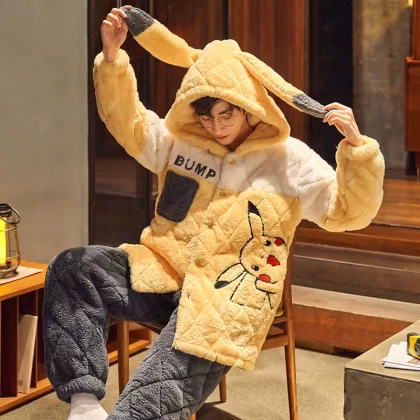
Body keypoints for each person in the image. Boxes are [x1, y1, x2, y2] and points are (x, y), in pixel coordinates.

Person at [43, 5, 385, 420]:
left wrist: (357, 149)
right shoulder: (181, 142)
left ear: (250, 107)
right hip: (162, 274)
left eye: (227, 114)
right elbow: (129, 123)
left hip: (227, 298)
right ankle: (83, 405)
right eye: (207, 117)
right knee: (74, 267)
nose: (217, 127)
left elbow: (347, 213)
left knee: (156, 393)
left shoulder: (289, 160)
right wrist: (113, 59)